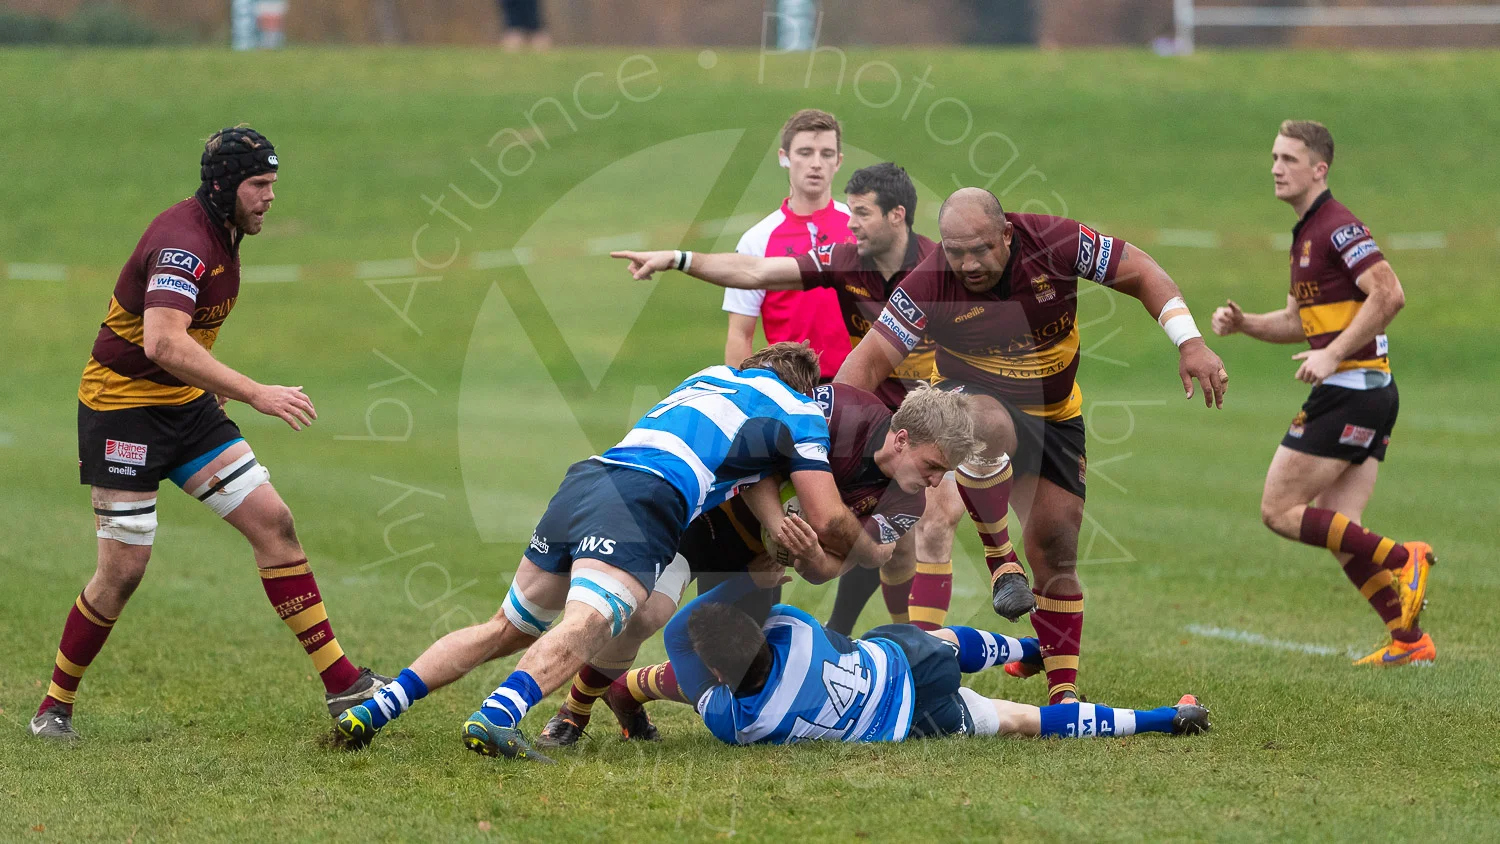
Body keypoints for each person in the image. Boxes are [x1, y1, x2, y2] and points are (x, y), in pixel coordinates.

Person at [334, 344, 881, 760]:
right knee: (592, 622)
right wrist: (873, 553)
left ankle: (378, 707)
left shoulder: (711, 379)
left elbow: (750, 468)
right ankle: (499, 713)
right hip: (646, 498)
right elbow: (828, 516)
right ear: (808, 389)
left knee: (506, 626)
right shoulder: (802, 411)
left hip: (589, 480)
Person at [31, 126, 386, 742]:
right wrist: (254, 391)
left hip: (185, 407)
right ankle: (53, 707)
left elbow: (181, 342)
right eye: (259, 185)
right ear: (224, 187)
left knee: (274, 523)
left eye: (273, 184)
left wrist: (209, 382)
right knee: (124, 570)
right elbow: (162, 341)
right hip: (123, 413)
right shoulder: (182, 245)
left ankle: (343, 684)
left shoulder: (224, 232)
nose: (270, 198)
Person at [836, 187, 1229, 704]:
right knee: (982, 423)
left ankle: (1063, 692)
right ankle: (1000, 557)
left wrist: (1191, 342)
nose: (968, 263)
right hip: (974, 401)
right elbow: (864, 366)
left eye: (980, 249)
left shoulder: (1054, 242)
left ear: (1007, 234)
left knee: (1057, 549)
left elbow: (1142, 272)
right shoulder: (930, 282)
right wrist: (829, 451)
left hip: (1058, 415)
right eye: (955, 251)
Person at [613, 161, 975, 637]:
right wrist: (680, 260)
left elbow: (978, 345)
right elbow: (757, 269)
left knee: (909, 533)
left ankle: (906, 640)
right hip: (861, 410)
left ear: (897, 216)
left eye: (862, 212)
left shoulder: (941, 272)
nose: (849, 221)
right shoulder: (847, 259)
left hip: (933, 419)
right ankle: (864, 629)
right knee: (845, 518)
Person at [536, 382, 974, 747]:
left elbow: (828, 570)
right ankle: (573, 713)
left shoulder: (907, 501)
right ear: (901, 440)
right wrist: (775, 521)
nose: (937, 482)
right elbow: (749, 452)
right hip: (706, 522)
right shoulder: (840, 409)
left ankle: (626, 690)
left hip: (759, 563)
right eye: (934, 465)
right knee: (645, 615)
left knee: (743, 666)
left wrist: (808, 553)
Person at [1211, 120, 1434, 666]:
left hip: (1351, 389)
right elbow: (1297, 322)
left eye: (1288, 158)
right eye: (1273, 157)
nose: (1275, 168)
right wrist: (1245, 326)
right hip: (1371, 391)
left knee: (1279, 509)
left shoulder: (1337, 227)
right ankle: (1409, 642)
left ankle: (1406, 557)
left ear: (1319, 169)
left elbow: (1389, 293)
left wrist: (1334, 354)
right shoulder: (1305, 233)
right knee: (1340, 529)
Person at [665, 573, 1211, 745]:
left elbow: (675, 644)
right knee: (943, 639)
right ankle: (1031, 650)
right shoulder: (795, 628)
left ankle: (1168, 719)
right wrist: (750, 581)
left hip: (911, 722)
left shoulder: (738, 723)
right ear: (760, 631)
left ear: (717, 672)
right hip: (906, 664)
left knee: (1023, 721)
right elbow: (756, 601)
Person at [722, 109, 853, 384]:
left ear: (838, 161)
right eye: (805, 152)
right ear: (784, 157)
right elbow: (740, 334)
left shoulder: (860, 228)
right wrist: (741, 399)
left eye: (826, 154)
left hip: (861, 385)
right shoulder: (756, 240)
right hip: (789, 388)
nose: (816, 163)